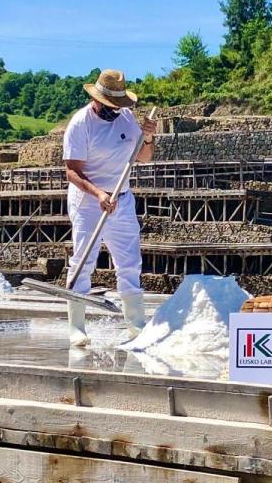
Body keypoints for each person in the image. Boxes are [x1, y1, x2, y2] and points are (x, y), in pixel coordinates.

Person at [62, 69, 157, 346]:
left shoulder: (126, 117)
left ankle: (135, 324)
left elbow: (145, 158)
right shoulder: (81, 124)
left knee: (129, 262)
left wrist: (148, 138)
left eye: (119, 107)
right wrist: (98, 194)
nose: (116, 111)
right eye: (111, 107)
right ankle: (76, 327)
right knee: (83, 261)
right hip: (89, 201)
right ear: (97, 101)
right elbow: (72, 172)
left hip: (123, 198)